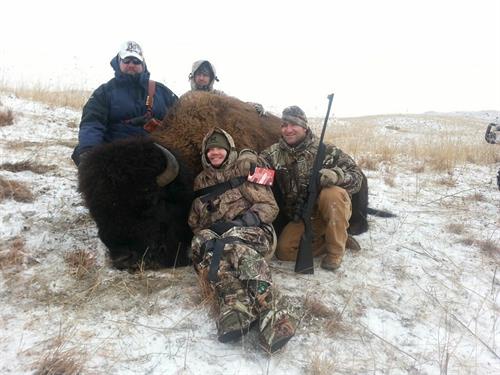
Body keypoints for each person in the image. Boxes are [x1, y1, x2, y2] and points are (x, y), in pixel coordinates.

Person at [188, 128, 298, 353]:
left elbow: (270, 207)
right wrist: (205, 234)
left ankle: (273, 312)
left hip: (256, 232)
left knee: (228, 240)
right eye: (210, 149)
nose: (215, 153)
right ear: (205, 153)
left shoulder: (246, 170)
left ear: (229, 150)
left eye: (220, 148)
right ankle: (236, 306)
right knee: (203, 242)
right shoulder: (200, 181)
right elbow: (195, 219)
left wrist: (242, 222)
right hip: (222, 239)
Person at [260, 105, 364, 271]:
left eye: (293, 124)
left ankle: (335, 251)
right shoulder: (273, 153)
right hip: (301, 214)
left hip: (330, 209)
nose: (288, 130)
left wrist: (338, 176)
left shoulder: (327, 150)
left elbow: (357, 176)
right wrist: (246, 158)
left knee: (333, 194)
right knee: (283, 251)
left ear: (304, 126)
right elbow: (257, 168)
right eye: (284, 125)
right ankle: (333, 238)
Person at [71, 41, 178, 165]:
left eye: (136, 61)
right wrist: (88, 151)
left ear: (143, 64)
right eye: (127, 60)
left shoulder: (162, 92)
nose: (131, 65)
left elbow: (182, 119)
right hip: (115, 159)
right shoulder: (104, 92)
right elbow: (92, 123)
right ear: (118, 61)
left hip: (155, 159)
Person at [186, 59, 265, 116]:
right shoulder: (186, 98)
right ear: (193, 76)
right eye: (198, 74)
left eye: (205, 75)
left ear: (211, 78)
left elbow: (235, 103)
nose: (201, 78)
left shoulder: (218, 95)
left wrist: (251, 106)